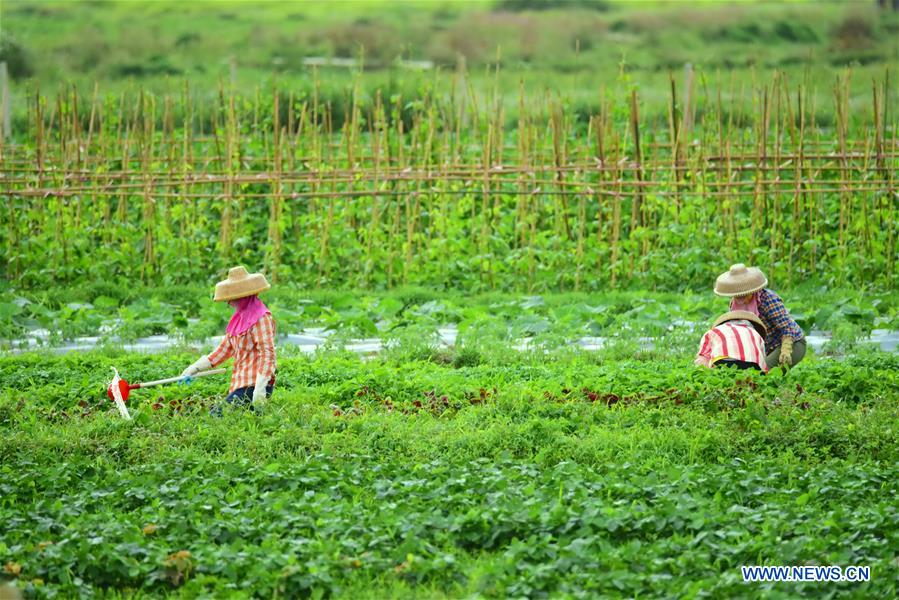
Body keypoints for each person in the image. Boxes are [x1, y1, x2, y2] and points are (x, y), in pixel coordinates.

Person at [182, 266, 276, 414]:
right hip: (241, 384)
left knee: (217, 415)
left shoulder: (261, 318)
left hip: (255, 385)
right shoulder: (239, 318)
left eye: (232, 298)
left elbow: (267, 354)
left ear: (243, 296)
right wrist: (195, 368)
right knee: (215, 412)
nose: (229, 303)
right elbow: (224, 349)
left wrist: (260, 390)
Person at [713, 264, 806, 369]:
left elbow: (787, 327)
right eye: (737, 295)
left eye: (743, 295)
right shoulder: (735, 304)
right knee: (746, 371)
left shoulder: (768, 300)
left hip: (791, 343)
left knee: (761, 373)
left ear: (752, 290)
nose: (740, 299)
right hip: (766, 347)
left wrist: (786, 349)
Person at [695, 310, 769, 372]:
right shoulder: (756, 334)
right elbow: (762, 359)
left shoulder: (716, 330)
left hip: (723, 362)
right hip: (752, 365)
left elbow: (703, 358)